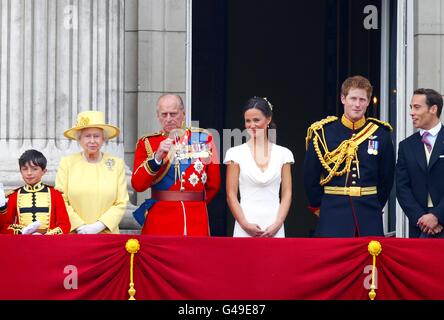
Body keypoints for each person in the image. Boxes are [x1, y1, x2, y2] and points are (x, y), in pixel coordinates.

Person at [303, 75, 395, 237]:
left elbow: (386, 177)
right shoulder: (323, 132)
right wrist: (320, 206)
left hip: (368, 214)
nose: (357, 104)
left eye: (362, 99)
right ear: (343, 98)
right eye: (353, 98)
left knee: (370, 262)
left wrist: (375, 204)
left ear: (368, 102)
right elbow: (310, 175)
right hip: (332, 214)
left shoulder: (381, 134)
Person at [131, 94, 220, 236]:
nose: (168, 119)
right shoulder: (147, 143)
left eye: (173, 114)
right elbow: (138, 185)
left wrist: (194, 203)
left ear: (183, 114)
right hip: (160, 220)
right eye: (164, 114)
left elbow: (213, 184)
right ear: (158, 116)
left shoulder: (203, 139)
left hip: (195, 218)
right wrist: (157, 157)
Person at [224, 97, 294, 237]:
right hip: (245, 225)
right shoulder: (234, 153)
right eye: (248, 121)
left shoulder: (284, 153)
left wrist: (278, 224)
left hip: (274, 225)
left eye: (256, 120)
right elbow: (231, 194)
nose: (251, 125)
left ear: (268, 120)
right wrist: (244, 224)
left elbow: (287, 193)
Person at [55, 111, 129, 234]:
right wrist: (80, 226)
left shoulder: (116, 164)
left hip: (107, 235)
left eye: (96, 136)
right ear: (79, 139)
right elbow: (60, 199)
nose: (92, 140)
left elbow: (121, 202)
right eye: (87, 136)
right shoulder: (67, 163)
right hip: (75, 234)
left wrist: (99, 226)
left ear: (103, 138)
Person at [396, 88, 444, 238]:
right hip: (419, 228)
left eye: (417, 107)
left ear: (433, 109)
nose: (411, 112)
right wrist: (421, 219)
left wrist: (437, 216)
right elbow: (402, 188)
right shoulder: (406, 145)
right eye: (411, 107)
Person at [0, 149, 70, 235]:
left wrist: (48, 235)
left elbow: (65, 225)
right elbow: (5, 226)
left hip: (49, 243)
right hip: (23, 242)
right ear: (20, 172)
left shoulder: (55, 194)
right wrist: (23, 231)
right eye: (25, 169)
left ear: (44, 171)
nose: (29, 173)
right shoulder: (14, 196)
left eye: (34, 169)